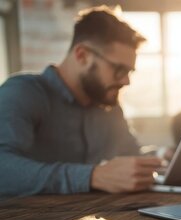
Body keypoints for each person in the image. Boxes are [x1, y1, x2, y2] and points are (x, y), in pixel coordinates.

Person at [0, 6, 162, 201]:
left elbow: (130, 153)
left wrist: (162, 157)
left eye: (129, 72)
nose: (126, 81)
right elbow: (3, 169)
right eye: (119, 69)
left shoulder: (108, 105)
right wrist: (93, 176)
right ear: (82, 55)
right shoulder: (24, 93)